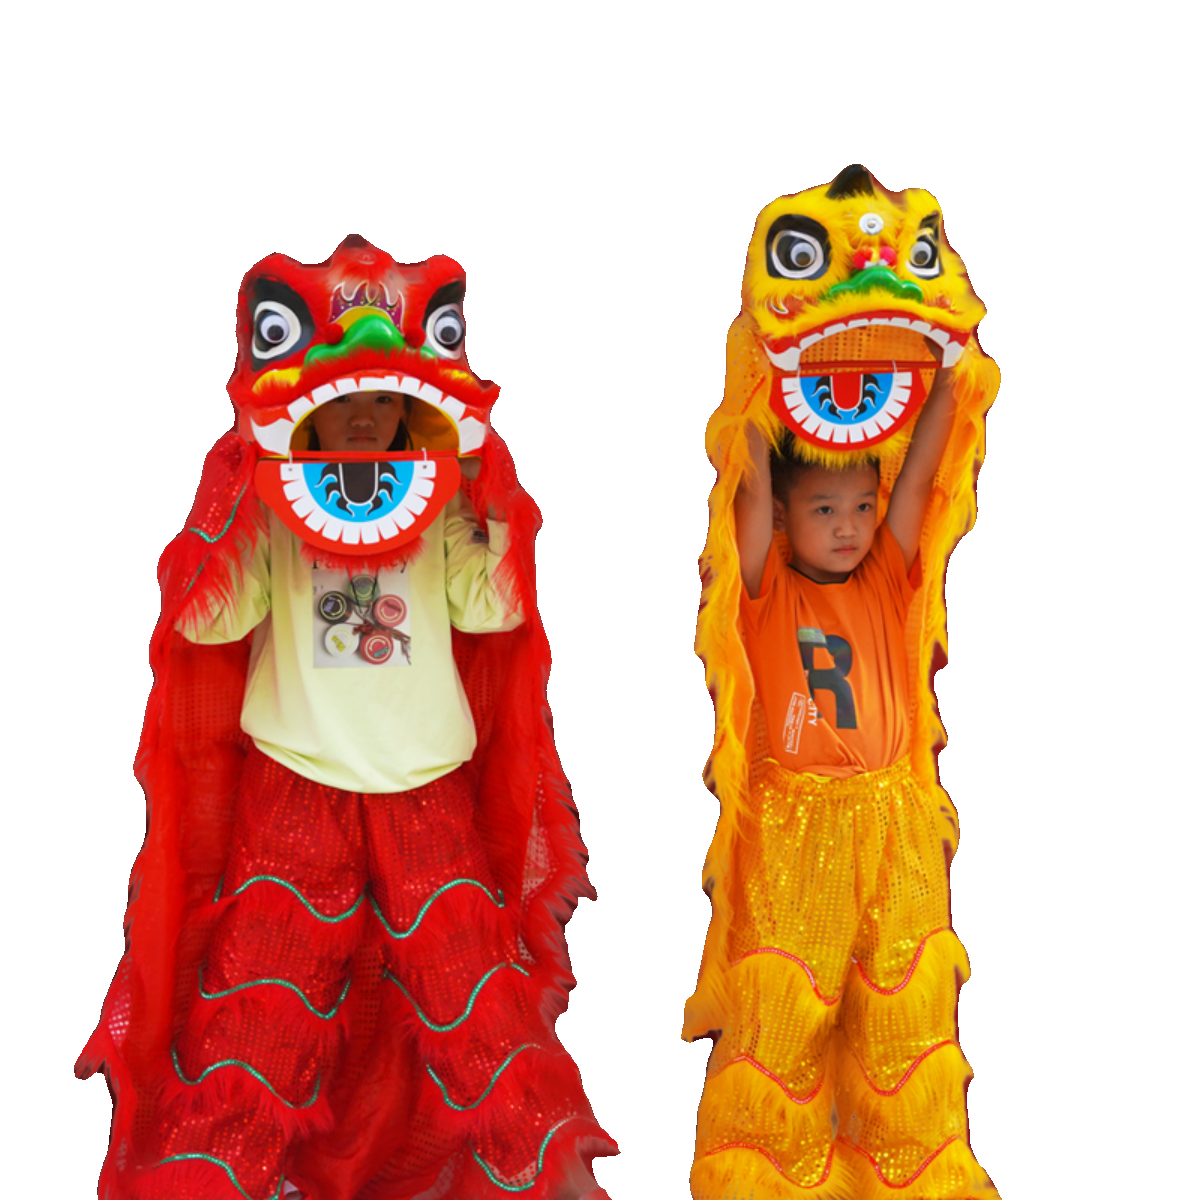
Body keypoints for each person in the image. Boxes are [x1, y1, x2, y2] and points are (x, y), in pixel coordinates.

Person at [78, 239, 616, 1200]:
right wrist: (237, 493)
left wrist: (492, 498)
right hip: (295, 789)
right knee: (261, 1009)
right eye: (345, 402)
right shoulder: (272, 511)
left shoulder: (440, 499)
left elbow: (491, 610)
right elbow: (207, 621)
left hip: (426, 787)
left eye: (383, 400)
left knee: (474, 1000)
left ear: (411, 409)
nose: (364, 415)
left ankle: (533, 1174)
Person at [689, 369, 996, 1196]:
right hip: (798, 828)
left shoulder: (888, 574)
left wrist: (947, 379)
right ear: (785, 521)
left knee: (900, 999)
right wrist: (758, 388)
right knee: (789, 1004)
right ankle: (771, 1175)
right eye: (825, 510)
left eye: (862, 506)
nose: (850, 526)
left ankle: (903, 1171)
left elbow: (921, 477)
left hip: (894, 816)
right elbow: (749, 495)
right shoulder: (766, 590)